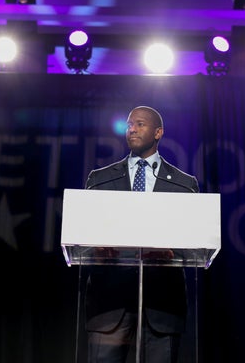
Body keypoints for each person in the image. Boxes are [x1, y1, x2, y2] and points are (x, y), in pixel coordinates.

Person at [83, 105, 200, 363]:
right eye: (129, 124)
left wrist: (173, 252)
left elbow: (193, 240)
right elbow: (85, 235)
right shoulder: (99, 179)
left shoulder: (183, 184)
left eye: (139, 124)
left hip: (162, 305)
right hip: (109, 303)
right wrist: (97, 248)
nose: (131, 129)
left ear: (158, 132)